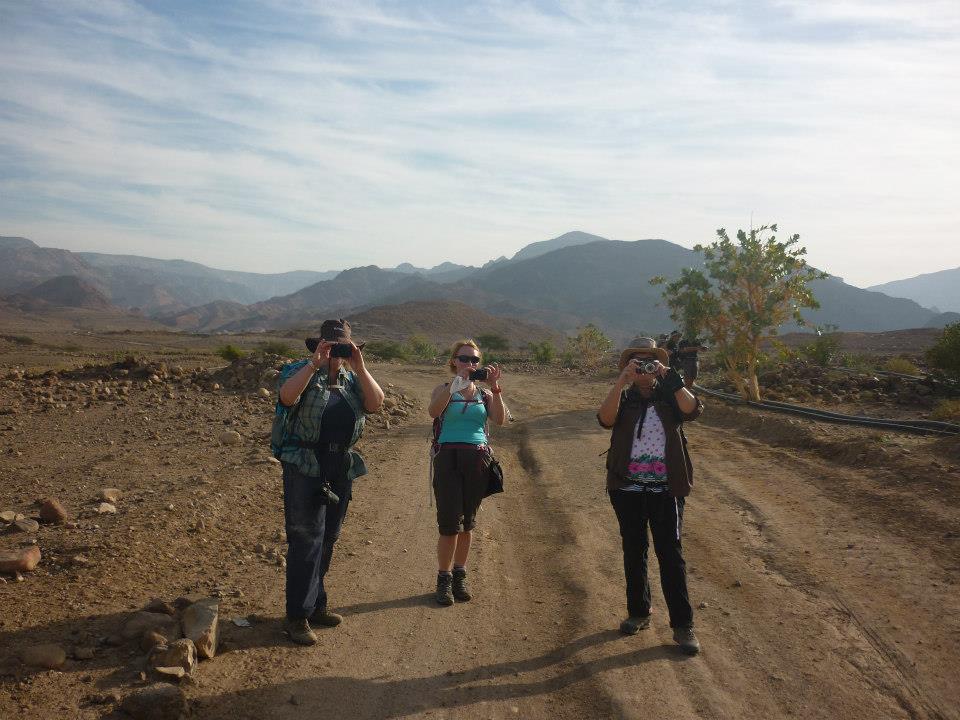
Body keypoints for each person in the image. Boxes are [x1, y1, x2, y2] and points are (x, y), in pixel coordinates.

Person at [271, 319, 384, 646]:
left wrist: (360, 367)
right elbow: (287, 398)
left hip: (340, 465)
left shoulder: (352, 379)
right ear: (319, 344)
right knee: (306, 538)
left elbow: (376, 404)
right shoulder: (297, 370)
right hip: (305, 463)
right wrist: (313, 365)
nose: (336, 352)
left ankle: (317, 604)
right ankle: (297, 616)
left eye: (343, 347)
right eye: (331, 345)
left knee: (328, 537)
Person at [596, 336, 704, 655]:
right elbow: (605, 419)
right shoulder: (626, 398)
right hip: (627, 486)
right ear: (629, 366)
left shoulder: (670, 396)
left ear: (658, 365)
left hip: (667, 488)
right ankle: (639, 613)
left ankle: (683, 626)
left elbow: (693, 408)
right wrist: (621, 382)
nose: (643, 367)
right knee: (634, 549)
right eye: (637, 361)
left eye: (649, 361)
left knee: (670, 554)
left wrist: (670, 378)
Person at [427, 339, 505, 606]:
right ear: (453, 361)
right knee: (449, 523)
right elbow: (433, 412)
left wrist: (495, 388)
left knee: (468, 522)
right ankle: (444, 578)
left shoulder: (486, 395)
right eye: (464, 359)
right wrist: (454, 386)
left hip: (478, 459)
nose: (469, 364)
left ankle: (460, 575)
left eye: (474, 360)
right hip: (448, 458)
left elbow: (500, 420)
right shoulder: (444, 388)